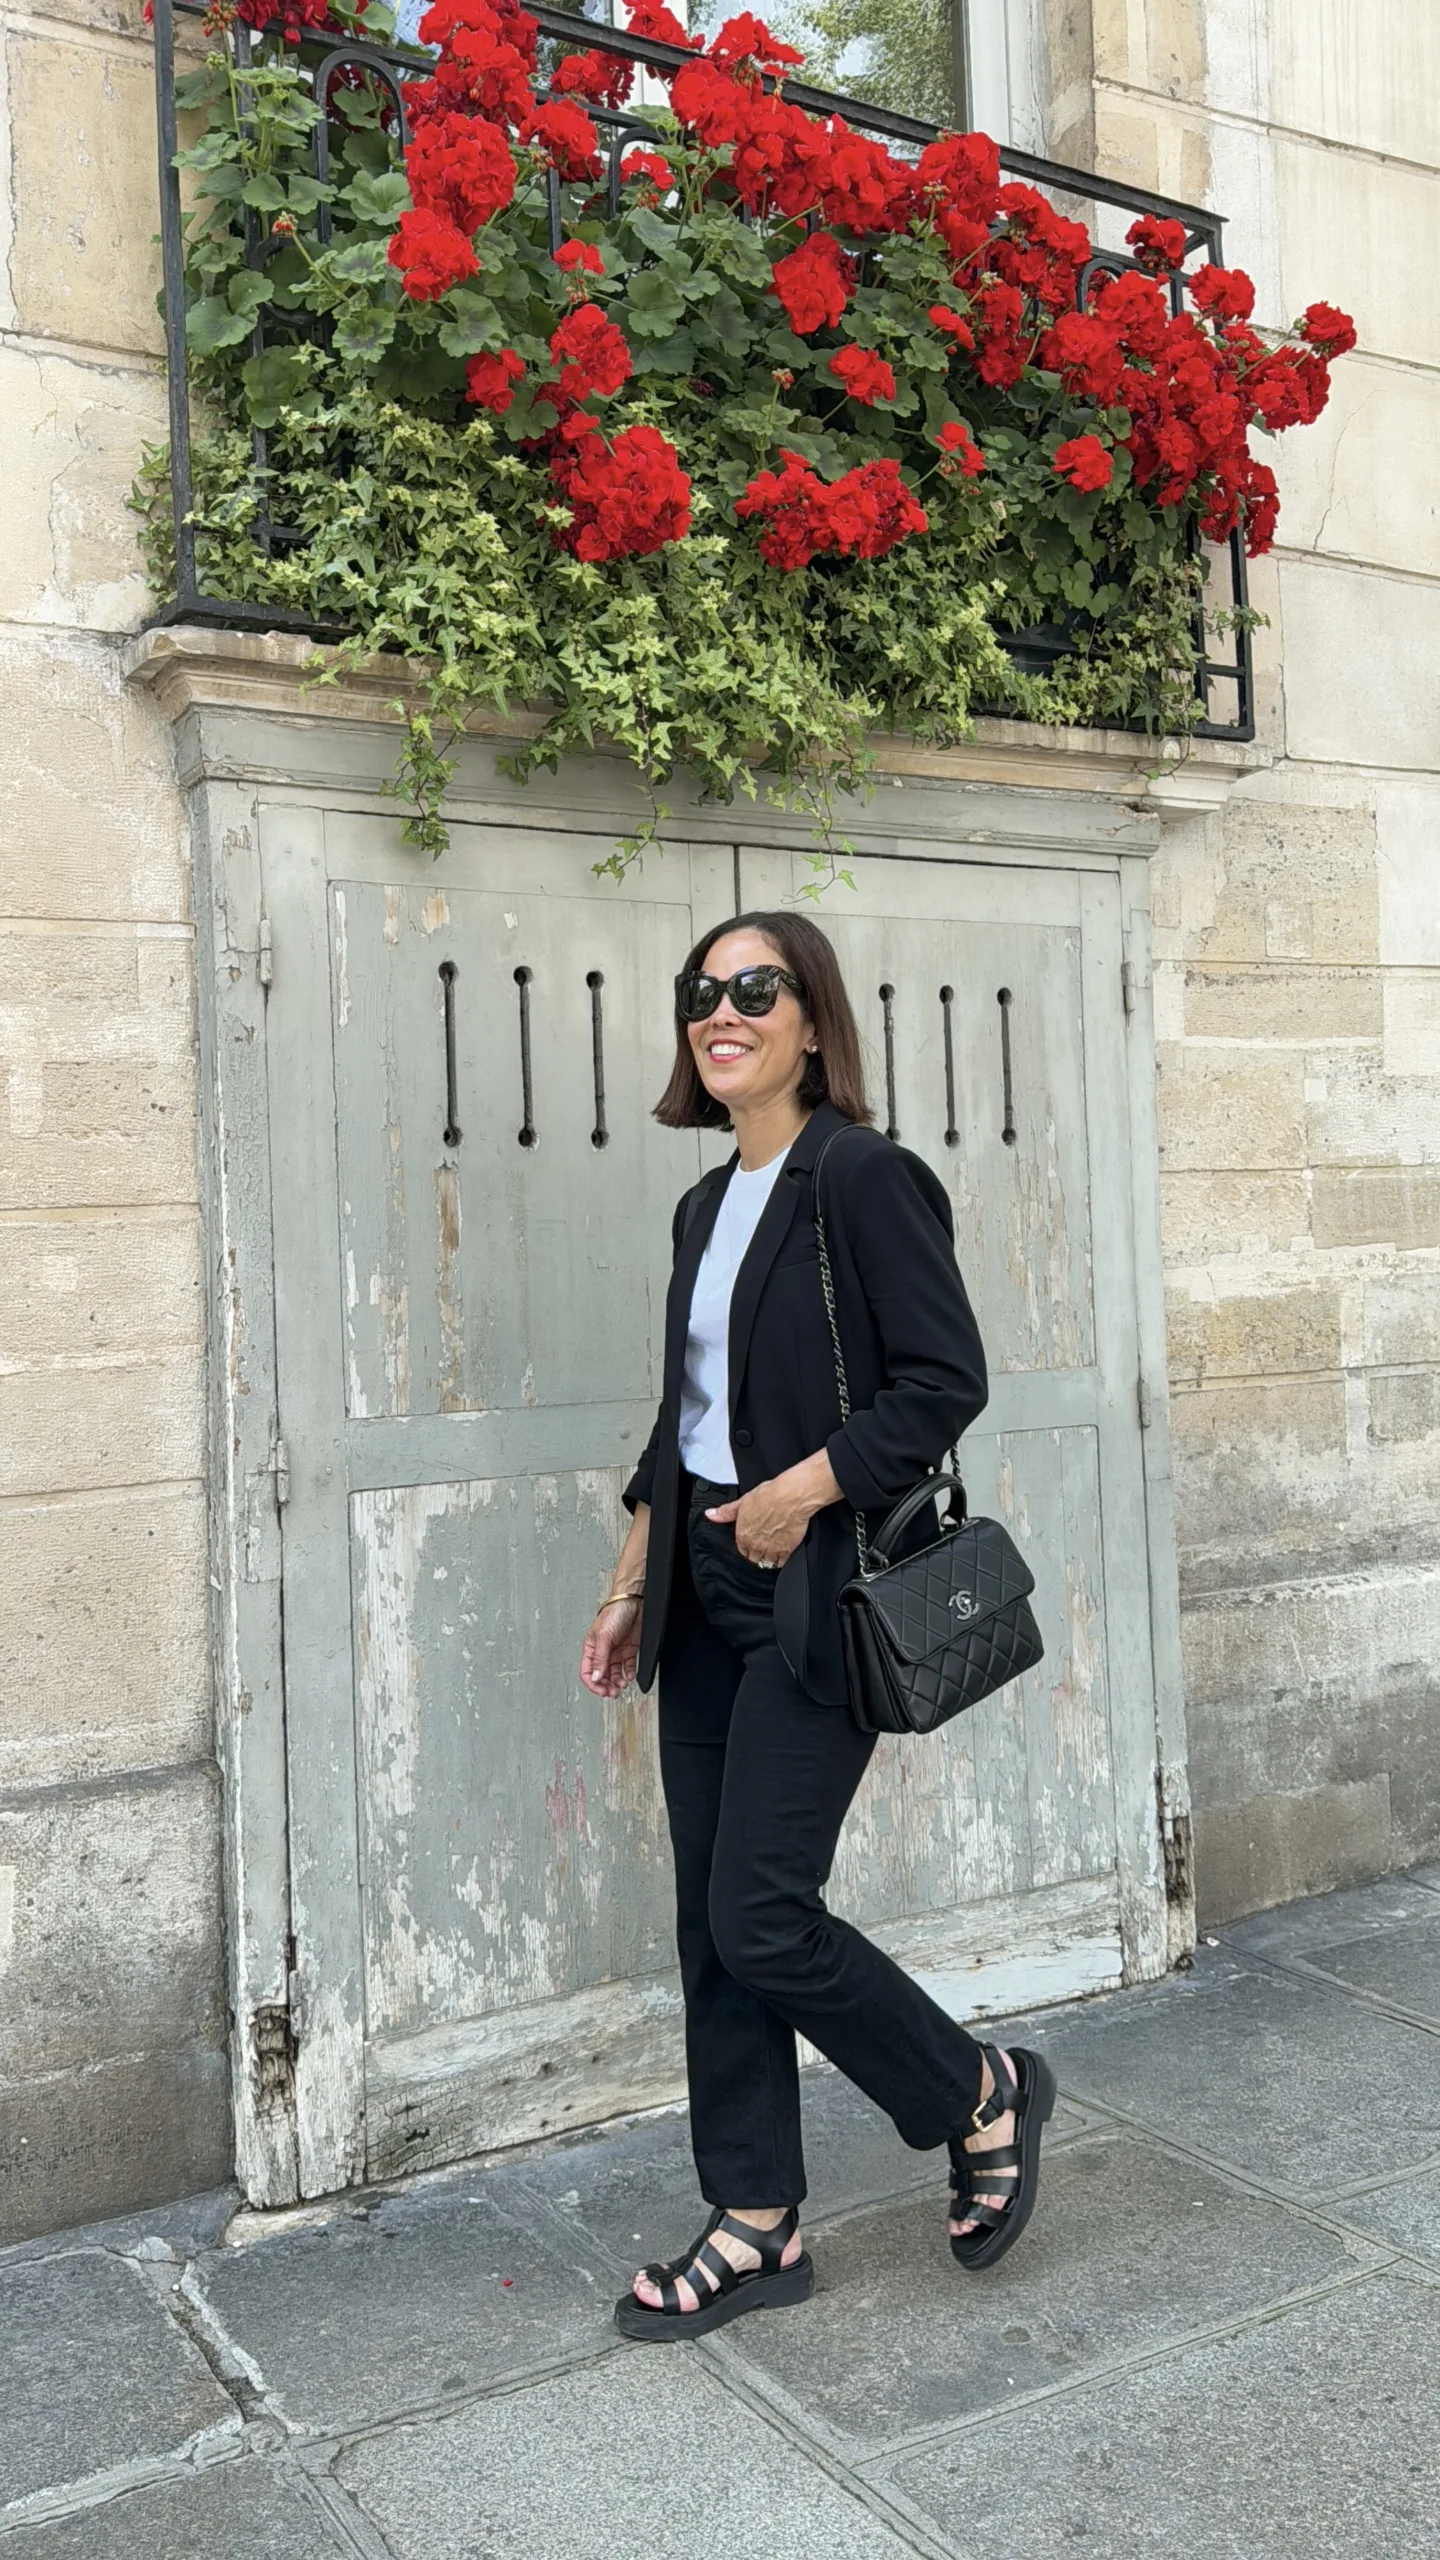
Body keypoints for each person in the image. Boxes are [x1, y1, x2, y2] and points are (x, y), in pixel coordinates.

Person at [580, 910, 1057, 2341]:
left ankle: (976, 2090)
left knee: (762, 1914)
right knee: (708, 1928)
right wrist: (628, 1576)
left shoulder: (860, 1175)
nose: (720, 1010)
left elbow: (942, 1381)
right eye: (701, 994)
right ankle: (760, 2220)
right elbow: (683, 1422)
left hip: (812, 1586)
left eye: (753, 988)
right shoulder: (701, 1205)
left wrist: (802, 1491)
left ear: (810, 1020)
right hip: (701, 1588)